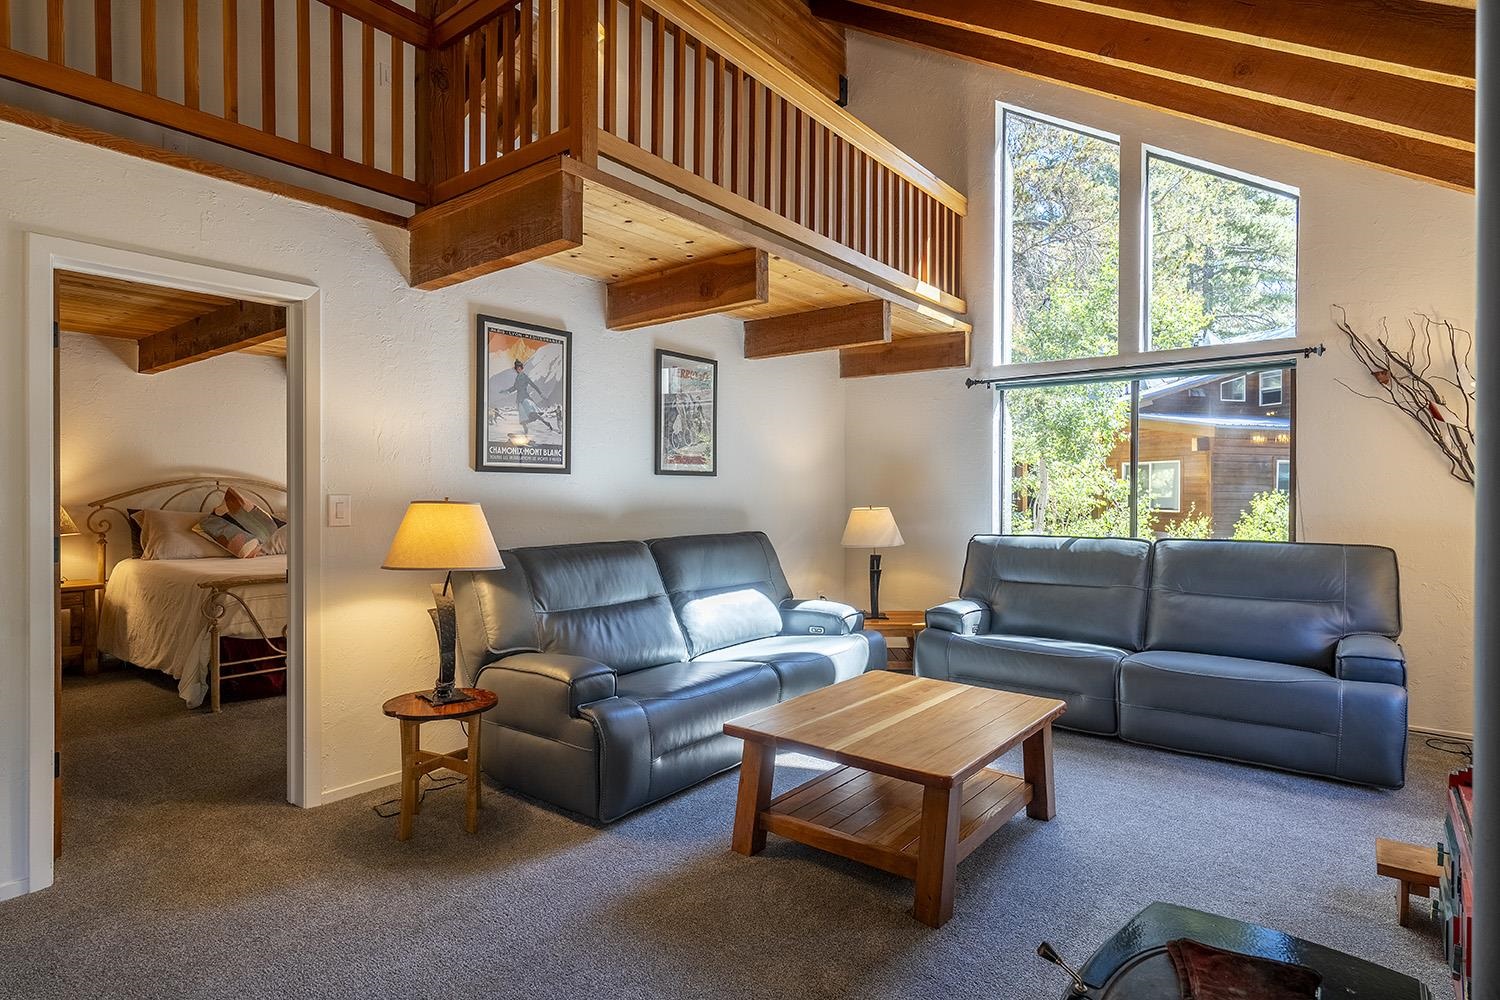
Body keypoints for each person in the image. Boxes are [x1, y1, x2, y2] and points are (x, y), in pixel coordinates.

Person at [495, 358, 557, 437]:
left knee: (533, 413)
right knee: (523, 418)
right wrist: (506, 391)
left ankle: (547, 423)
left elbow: (533, 385)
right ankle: (526, 433)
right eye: (517, 369)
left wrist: (541, 394)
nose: (518, 370)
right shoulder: (517, 378)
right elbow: (514, 388)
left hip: (525, 398)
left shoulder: (525, 377)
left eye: (519, 368)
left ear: (522, 368)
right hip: (519, 400)